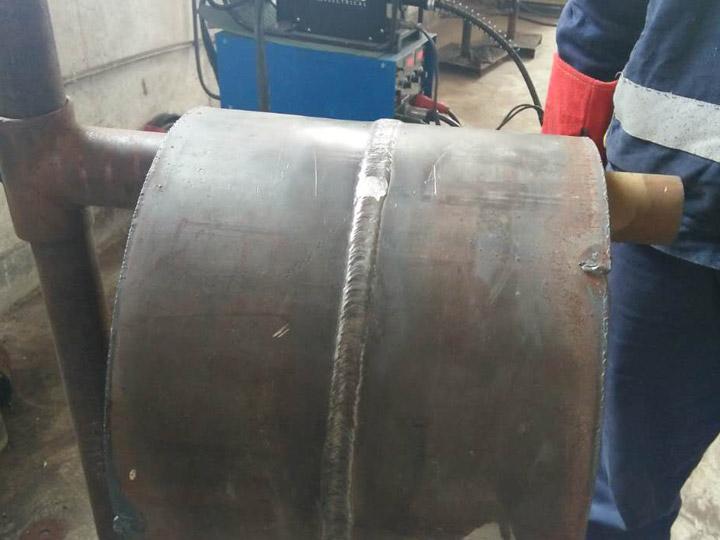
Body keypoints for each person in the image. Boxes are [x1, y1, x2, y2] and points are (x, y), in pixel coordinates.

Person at [542, 1, 720, 538]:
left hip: (679, 214)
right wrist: (566, 179)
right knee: (620, 490)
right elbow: (602, 16)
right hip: (675, 224)